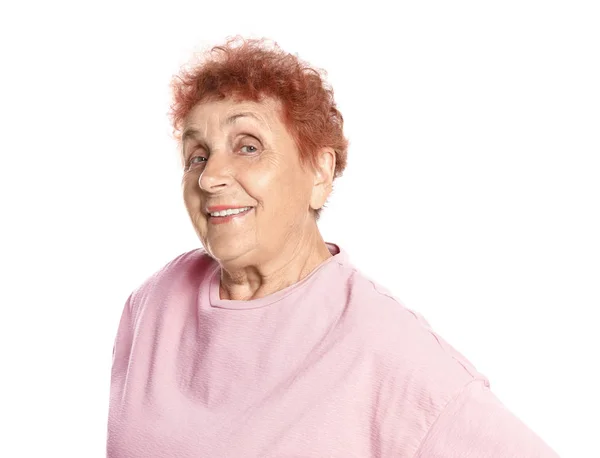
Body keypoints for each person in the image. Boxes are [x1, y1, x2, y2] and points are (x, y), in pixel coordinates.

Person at [107, 36, 560, 457]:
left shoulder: (387, 350)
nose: (210, 178)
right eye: (197, 157)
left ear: (320, 174)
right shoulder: (152, 305)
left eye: (247, 147)